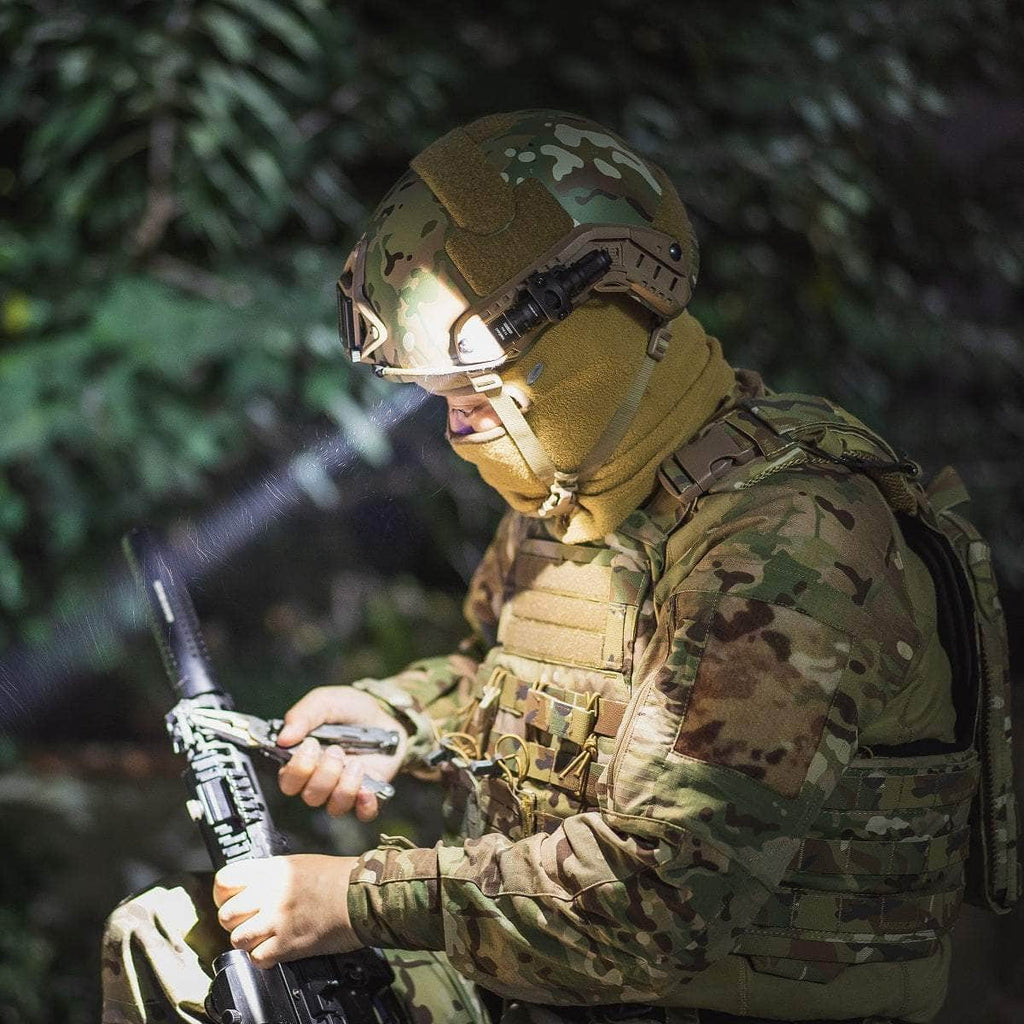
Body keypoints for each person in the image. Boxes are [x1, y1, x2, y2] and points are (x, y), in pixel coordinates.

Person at [102, 110, 1018, 1024]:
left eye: (476, 389)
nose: (457, 427)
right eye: (436, 399)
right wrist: (396, 719)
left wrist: (353, 898)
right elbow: (505, 680)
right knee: (176, 950)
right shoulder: (580, 491)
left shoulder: (788, 544)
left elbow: (656, 906)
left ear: (603, 327)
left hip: (703, 996)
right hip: (542, 985)